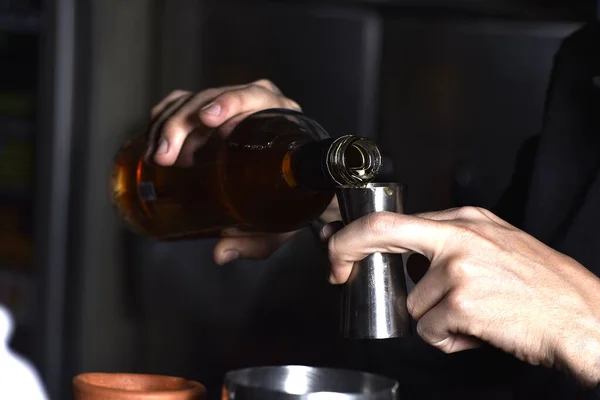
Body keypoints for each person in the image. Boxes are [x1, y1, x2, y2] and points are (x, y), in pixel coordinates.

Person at [145, 22, 600, 399]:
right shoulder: (586, 66)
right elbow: (474, 356)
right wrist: (326, 208)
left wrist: (588, 327)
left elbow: (560, 321)